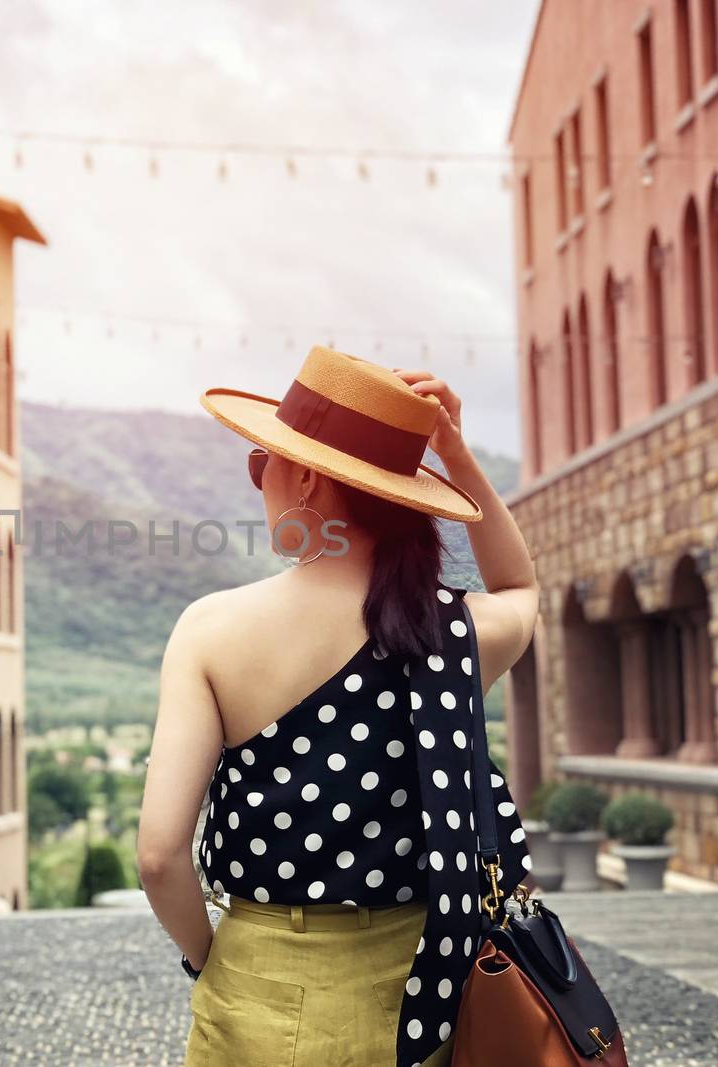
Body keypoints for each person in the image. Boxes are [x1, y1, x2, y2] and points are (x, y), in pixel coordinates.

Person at [136, 346, 539, 1067]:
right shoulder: (447, 633)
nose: (259, 482)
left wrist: (211, 960)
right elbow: (520, 591)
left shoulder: (210, 629)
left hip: (259, 981)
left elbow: (160, 855)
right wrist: (455, 455)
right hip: (424, 993)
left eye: (265, 464)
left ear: (307, 476)